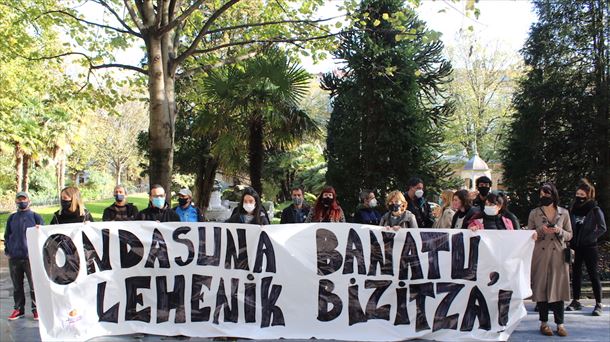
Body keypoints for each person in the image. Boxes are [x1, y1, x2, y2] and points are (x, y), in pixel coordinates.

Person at [528, 182, 572, 337]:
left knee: (558, 289)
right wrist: (541, 230)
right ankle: (544, 323)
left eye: (546, 194)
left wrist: (559, 230)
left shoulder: (564, 213)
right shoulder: (534, 213)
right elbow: (530, 233)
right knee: (542, 289)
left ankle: (560, 324)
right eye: (541, 194)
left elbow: (570, 234)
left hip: (559, 254)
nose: (544, 197)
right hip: (540, 254)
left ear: (553, 195)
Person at [566, 179, 606, 316]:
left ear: (588, 194)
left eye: (582, 194)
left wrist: (590, 237)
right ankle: (576, 301)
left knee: (593, 274)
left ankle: (598, 303)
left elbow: (602, 228)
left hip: (590, 246)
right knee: (576, 274)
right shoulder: (573, 208)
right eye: (578, 194)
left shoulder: (595, 209)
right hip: (575, 246)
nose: (579, 196)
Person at [4, 192, 43, 320]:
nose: (21, 202)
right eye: (19, 199)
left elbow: (44, 235)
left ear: (29, 201)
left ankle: (37, 309)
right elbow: (7, 235)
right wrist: (8, 251)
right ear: (15, 202)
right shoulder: (12, 218)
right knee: (17, 286)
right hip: (15, 257)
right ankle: (18, 309)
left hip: (31, 257)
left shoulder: (35, 216)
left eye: (24, 199)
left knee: (34, 285)